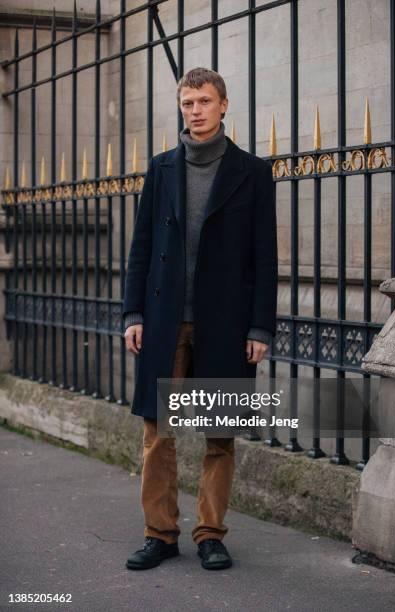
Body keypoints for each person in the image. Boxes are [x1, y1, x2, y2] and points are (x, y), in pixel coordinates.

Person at [122, 67, 277, 571]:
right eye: (188, 102)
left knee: (219, 435)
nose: (196, 110)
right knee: (156, 434)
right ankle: (160, 534)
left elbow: (264, 257)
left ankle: (211, 533)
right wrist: (133, 312)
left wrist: (259, 328)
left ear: (224, 105)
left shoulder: (251, 172)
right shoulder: (162, 167)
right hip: (165, 319)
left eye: (205, 101)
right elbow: (140, 247)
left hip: (224, 323)